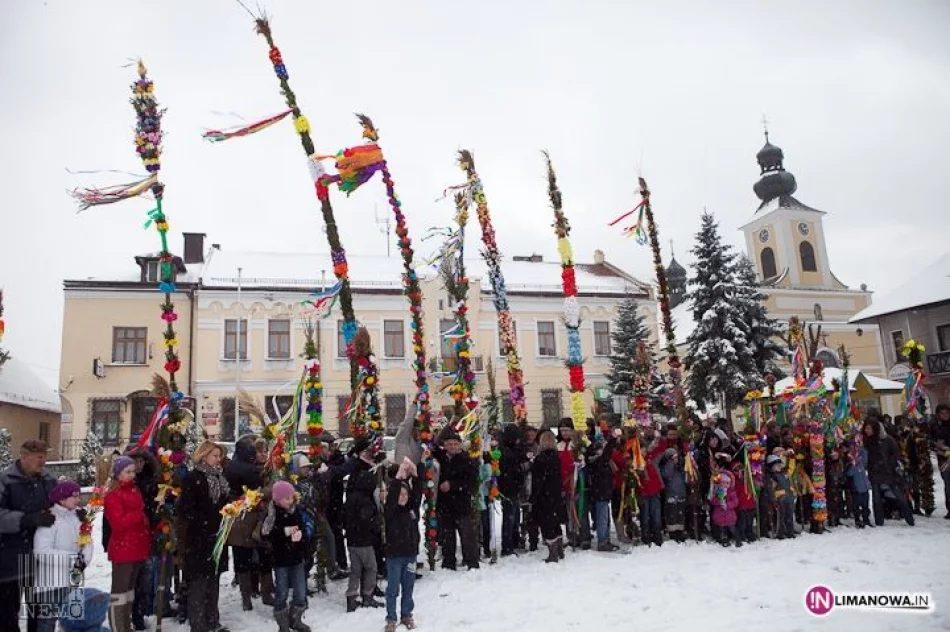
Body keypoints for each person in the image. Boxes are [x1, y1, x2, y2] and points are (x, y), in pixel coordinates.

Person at [0, 439, 57, 632]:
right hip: (9, 560)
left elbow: (60, 504)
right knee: (7, 614)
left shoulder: (49, 480)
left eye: (45, 457)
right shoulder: (5, 480)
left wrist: (73, 512)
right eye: (39, 457)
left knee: (39, 612)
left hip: (40, 559)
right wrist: (26, 520)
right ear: (24, 457)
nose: (43, 462)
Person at [33, 480, 93, 632]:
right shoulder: (50, 519)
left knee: (73, 621)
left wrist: (83, 561)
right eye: (74, 496)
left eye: (79, 495)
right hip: (50, 583)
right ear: (61, 499)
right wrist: (73, 559)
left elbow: (87, 542)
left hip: (73, 580)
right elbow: (42, 551)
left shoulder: (78, 518)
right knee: (47, 623)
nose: (78, 499)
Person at [104, 456, 150, 632]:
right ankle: (118, 627)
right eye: (127, 472)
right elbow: (118, 523)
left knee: (129, 592)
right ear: (118, 474)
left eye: (133, 471)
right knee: (119, 593)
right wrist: (139, 515)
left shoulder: (134, 490)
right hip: (123, 548)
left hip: (137, 546)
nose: (132, 475)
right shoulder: (113, 495)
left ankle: (126, 625)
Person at [224, 435, 270, 610]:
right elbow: (261, 489)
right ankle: (254, 594)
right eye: (259, 451)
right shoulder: (250, 470)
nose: (262, 454)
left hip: (244, 517)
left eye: (265, 451)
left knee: (250, 556)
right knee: (252, 555)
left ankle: (254, 594)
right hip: (249, 517)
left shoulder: (232, 468)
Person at [262, 480, 312, 632]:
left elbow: (303, 528)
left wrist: (301, 535)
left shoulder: (296, 511)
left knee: (300, 591)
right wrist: (285, 532)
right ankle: (282, 624)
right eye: (287, 498)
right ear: (277, 499)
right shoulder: (272, 514)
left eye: (291, 497)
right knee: (281, 591)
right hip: (281, 559)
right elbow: (266, 534)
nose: (290, 501)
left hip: (297, 558)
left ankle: (296, 619)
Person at [345, 438, 383, 612]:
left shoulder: (352, 496)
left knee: (356, 570)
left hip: (353, 539)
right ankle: (367, 595)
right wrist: (375, 527)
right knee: (371, 567)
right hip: (364, 539)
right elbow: (367, 519)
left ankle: (352, 598)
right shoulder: (365, 499)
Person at [383, 459, 421, 632]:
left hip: (410, 555)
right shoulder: (391, 512)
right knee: (392, 589)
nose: (403, 497)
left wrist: (415, 476)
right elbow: (392, 497)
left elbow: (417, 496)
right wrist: (398, 481)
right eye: (400, 495)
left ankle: (407, 614)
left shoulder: (412, 510)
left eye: (405, 495)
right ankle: (391, 618)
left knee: (408, 587)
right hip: (394, 557)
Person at [433, 430, 479, 570]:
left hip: (461, 504)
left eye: (455, 444)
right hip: (445, 504)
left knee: (466, 535)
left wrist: (452, 485)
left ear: (460, 446)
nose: (452, 447)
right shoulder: (440, 458)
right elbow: (433, 444)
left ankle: (471, 561)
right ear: (445, 446)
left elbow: (470, 482)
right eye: (449, 444)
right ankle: (449, 562)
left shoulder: (466, 460)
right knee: (447, 535)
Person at [862, 415, 914, 527]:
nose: (867, 431)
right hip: (875, 473)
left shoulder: (887, 439)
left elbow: (896, 454)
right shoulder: (866, 441)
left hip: (890, 473)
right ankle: (879, 521)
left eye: (869, 428)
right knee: (876, 498)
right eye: (866, 428)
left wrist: (892, 466)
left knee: (899, 496)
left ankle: (909, 518)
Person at [531, 431, 565, 562]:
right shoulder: (556, 457)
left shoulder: (540, 459)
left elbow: (537, 481)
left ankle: (553, 553)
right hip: (555, 494)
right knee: (555, 522)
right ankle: (560, 549)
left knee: (547, 524)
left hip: (544, 495)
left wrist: (534, 497)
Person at [498, 425, 525, 556]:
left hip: (512, 486)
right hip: (508, 487)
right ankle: (507, 546)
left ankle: (513, 541)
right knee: (509, 517)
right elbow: (511, 468)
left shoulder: (511, 448)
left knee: (514, 516)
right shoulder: (506, 451)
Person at [709, 458, 740, 547]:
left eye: (727, 483)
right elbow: (713, 500)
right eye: (723, 483)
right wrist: (719, 501)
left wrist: (728, 505)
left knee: (732, 528)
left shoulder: (732, 492)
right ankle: (724, 540)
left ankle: (738, 539)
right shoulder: (717, 492)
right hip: (719, 515)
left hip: (729, 515)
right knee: (722, 529)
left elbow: (735, 502)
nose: (725, 485)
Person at [660, 448, 687, 543]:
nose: (676, 459)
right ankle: (672, 532)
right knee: (672, 514)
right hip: (671, 494)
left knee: (680, 514)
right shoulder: (666, 467)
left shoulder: (681, 467)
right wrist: (671, 464)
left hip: (681, 493)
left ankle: (680, 530)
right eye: (673, 458)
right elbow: (666, 474)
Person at [766, 454, 795, 539]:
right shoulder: (772, 476)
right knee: (780, 518)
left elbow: (791, 469)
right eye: (776, 465)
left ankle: (790, 532)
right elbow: (771, 489)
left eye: (779, 465)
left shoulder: (784, 473)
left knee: (789, 516)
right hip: (780, 500)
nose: (779, 466)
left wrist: (792, 458)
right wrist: (774, 500)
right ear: (772, 466)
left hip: (789, 497)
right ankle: (780, 533)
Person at [844, 440, 872, 528]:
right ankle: (858, 520)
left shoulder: (860, 455)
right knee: (856, 505)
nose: (854, 448)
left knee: (865, 504)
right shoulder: (848, 458)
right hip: (855, 486)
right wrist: (855, 465)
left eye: (855, 446)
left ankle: (866, 519)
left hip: (864, 484)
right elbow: (848, 473)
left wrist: (861, 448)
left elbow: (865, 458)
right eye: (852, 446)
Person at [931, 404, 950, 519]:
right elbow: (931, 442)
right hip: (944, 460)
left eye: (947, 413)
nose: (945, 415)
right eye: (942, 413)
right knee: (948, 485)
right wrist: (941, 449)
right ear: (938, 415)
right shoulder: (935, 427)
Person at [732, 461, 757, 544]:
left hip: (750, 504)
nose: (739, 470)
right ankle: (741, 535)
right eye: (737, 468)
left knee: (749, 522)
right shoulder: (734, 480)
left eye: (740, 467)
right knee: (742, 523)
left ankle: (749, 533)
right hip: (741, 505)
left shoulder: (748, 477)